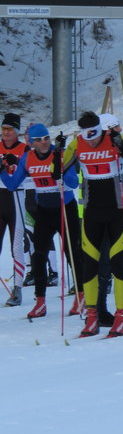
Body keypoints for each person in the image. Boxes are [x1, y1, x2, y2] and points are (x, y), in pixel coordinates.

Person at [62, 111, 123, 337]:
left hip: (117, 211)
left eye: (94, 136)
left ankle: (120, 317)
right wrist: (59, 150)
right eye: (86, 137)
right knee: (89, 266)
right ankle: (92, 317)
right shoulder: (77, 143)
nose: (91, 141)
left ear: (100, 130)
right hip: (92, 212)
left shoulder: (114, 139)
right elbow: (56, 172)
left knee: (117, 264)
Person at [0, 123, 83, 318]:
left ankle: (81, 296)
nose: (44, 142)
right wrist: (2, 171)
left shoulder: (60, 154)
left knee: (72, 253)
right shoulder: (27, 158)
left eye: (46, 138)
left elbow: (74, 183)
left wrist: (62, 171)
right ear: (31, 142)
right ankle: (40, 302)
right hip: (44, 210)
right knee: (38, 256)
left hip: (65, 208)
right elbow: (12, 185)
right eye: (38, 140)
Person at [0, 113, 29, 306]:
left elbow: (30, 171)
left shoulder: (24, 149)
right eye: (3, 129)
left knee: (16, 247)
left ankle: (17, 289)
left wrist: (16, 163)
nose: (5, 133)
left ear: (16, 131)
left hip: (17, 198)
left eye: (9, 129)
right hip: (0, 197)